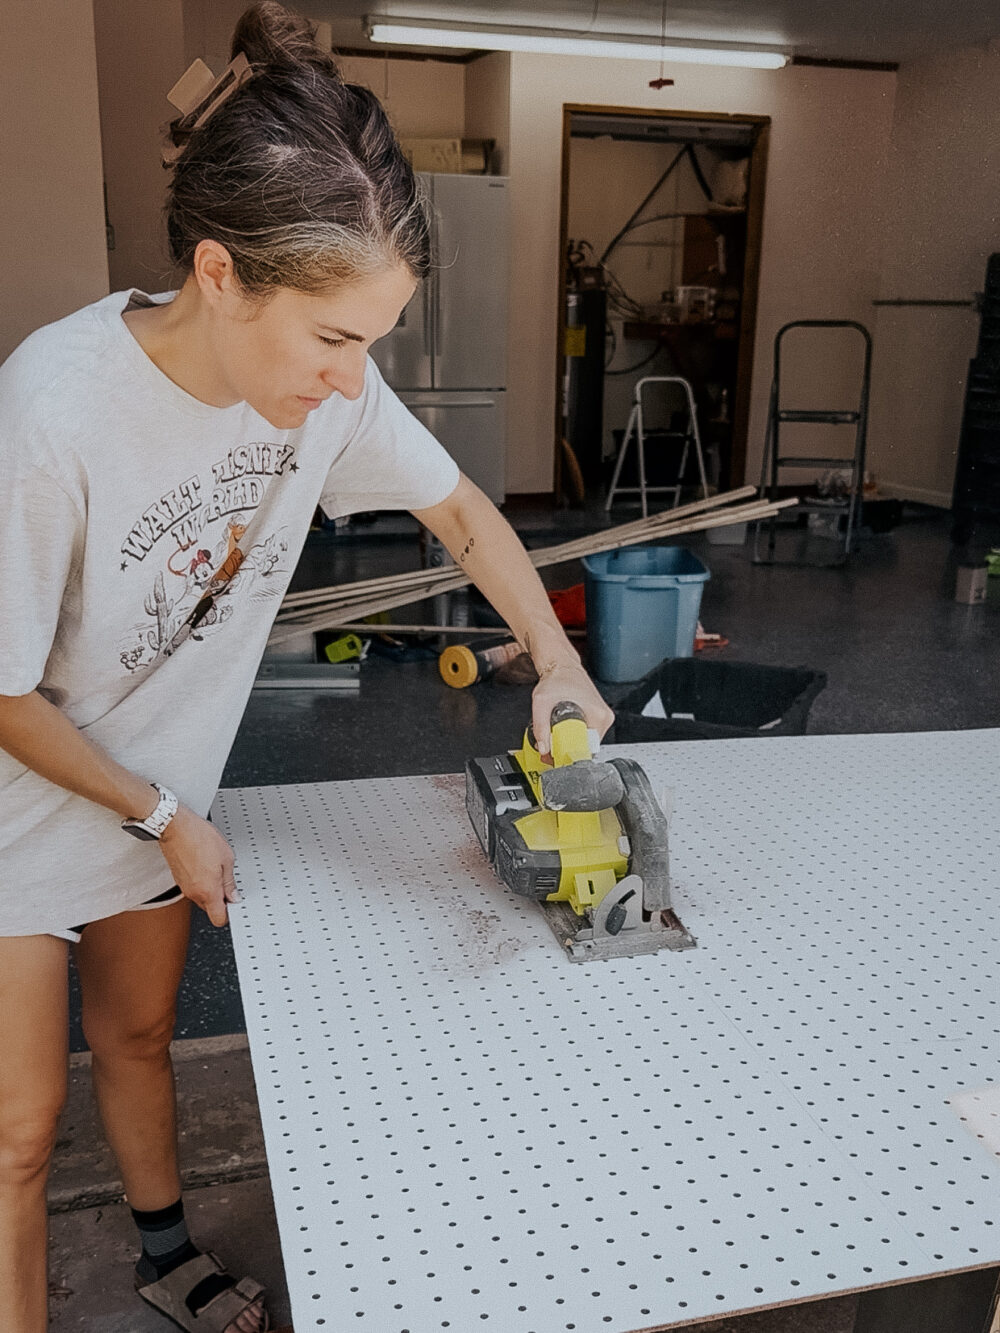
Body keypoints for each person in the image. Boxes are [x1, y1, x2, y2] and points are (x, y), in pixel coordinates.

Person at [0, 5, 613, 1331]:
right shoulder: (55, 411)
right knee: (21, 1127)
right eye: (334, 340)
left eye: (375, 343)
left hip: (150, 802)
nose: (355, 383)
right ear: (220, 275)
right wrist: (164, 818)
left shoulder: (331, 395)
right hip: (22, 792)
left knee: (143, 1039)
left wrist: (556, 657)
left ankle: (163, 1255)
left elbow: (462, 512)